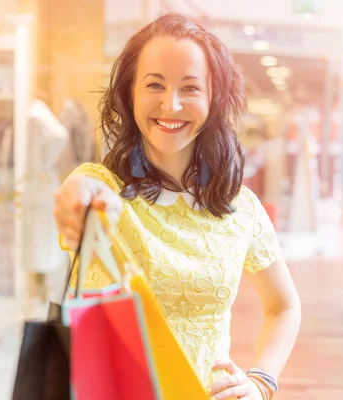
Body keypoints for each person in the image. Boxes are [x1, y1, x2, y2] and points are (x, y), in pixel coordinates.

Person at [54, 13, 301, 400]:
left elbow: (284, 307)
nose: (171, 105)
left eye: (190, 88)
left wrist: (261, 382)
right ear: (130, 94)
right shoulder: (102, 186)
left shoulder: (239, 206)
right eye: (155, 85)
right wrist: (85, 206)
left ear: (212, 99)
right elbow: (81, 194)